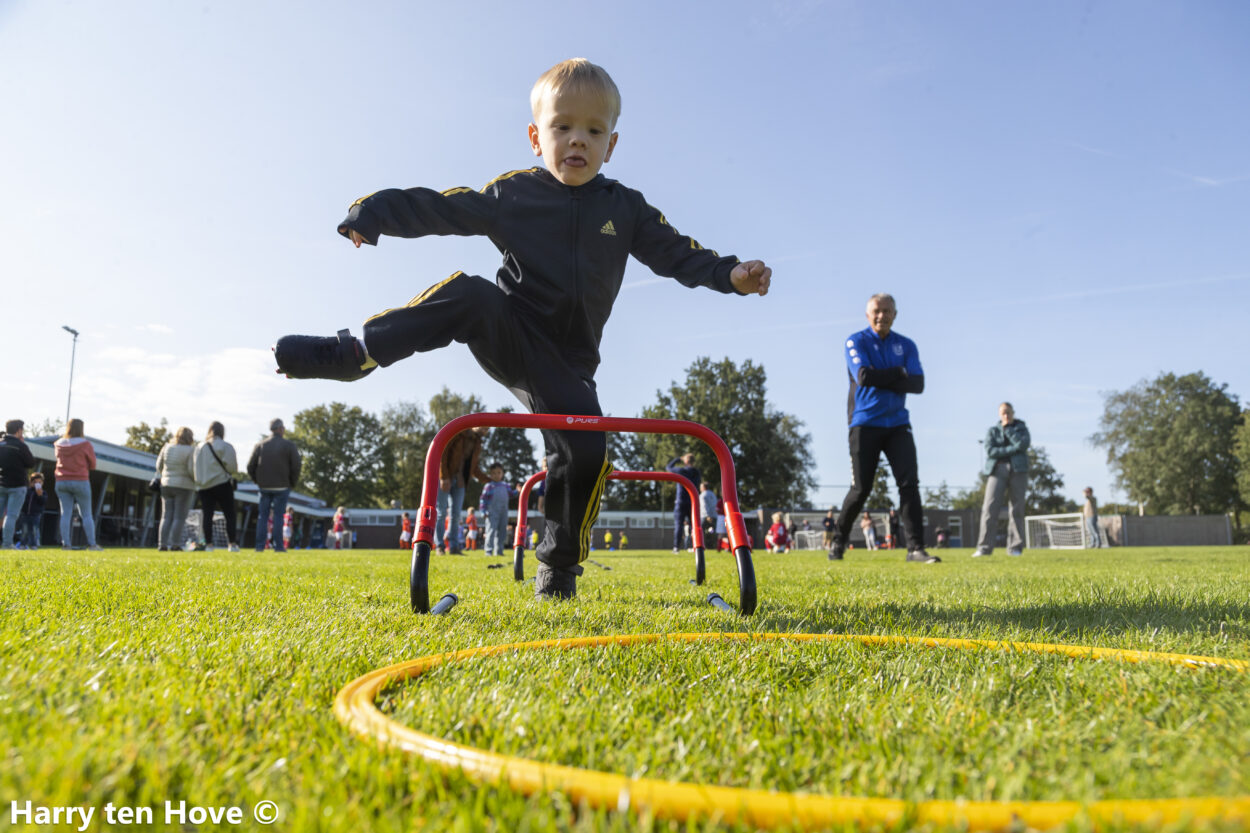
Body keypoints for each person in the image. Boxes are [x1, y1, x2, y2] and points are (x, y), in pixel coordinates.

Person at [272, 58, 771, 599]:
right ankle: (357, 352)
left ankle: (558, 568)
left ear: (611, 146)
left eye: (593, 131)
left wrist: (730, 275)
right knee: (469, 293)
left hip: (570, 366)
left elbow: (678, 253)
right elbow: (443, 208)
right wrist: (372, 212)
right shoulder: (515, 195)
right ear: (536, 138)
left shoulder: (625, 208)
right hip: (512, 333)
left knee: (586, 453)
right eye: (563, 127)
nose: (577, 140)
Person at [828, 294, 937, 564]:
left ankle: (915, 549)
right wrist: (899, 373)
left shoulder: (906, 345)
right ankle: (838, 541)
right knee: (861, 488)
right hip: (864, 423)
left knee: (909, 484)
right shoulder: (856, 341)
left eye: (887, 311)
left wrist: (885, 376)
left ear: (895, 314)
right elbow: (864, 376)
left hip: (898, 424)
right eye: (877, 311)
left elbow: (918, 384)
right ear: (868, 315)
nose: (882, 316)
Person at [972, 402, 1031, 558]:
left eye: (1008, 412)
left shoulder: (1021, 428)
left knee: (1017, 509)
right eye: (1003, 412)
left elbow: (1023, 444)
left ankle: (1015, 547)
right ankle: (984, 548)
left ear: (1013, 413)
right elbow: (990, 450)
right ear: (999, 414)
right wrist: (1013, 449)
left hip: (1018, 470)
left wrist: (1009, 430)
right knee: (989, 508)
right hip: (997, 470)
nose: (1006, 415)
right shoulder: (992, 431)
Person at [247, 418, 301, 554]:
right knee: (278, 516)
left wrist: (258, 481)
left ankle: (260, 546)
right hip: (282, 486)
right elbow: (296, 466)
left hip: (264, 486)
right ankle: (278, 546)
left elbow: (250, 466)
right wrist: (291, 483)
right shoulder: (289, 445)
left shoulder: (260, 445)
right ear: (280, 429)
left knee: (263, 516)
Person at [434, 427, 489, 555]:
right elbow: (443, 453)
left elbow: (474, 467)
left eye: (487, 429)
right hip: (446, 477)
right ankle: (439, 546)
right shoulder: (458, 433)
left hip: (460, 481)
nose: (485, 430)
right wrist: (443, 477)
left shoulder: (477, 443)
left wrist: (490, 480)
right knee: (441, 513)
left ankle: (453, 547)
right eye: (483, 426)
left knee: (456, 515)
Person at [53, 418, 101, 550]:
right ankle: (92, 544)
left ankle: (66, 543)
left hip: (61, 481)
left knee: (65, 513)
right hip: (80, 480)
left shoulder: (58, 444)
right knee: (86, 514)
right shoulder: (85, 444)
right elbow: (93, 464)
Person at [193, 421, 241, 552]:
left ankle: (208, 544)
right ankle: (232, 544)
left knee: (207, 515)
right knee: (229, 514)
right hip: (221, 483)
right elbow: (232, 467)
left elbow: (194, 468)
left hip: (204, 486)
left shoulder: (199, 447)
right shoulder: (225, 446)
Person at [155, 426, 197, 552]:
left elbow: (159, 465)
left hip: (166, 485)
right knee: (179, 517)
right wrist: (196, 480)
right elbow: (191, 469)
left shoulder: (167, 447)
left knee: (166, 516)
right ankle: (175, 544)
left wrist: (165, 475)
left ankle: (162, 544)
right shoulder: (191, 450)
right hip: (184, 486)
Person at [1, 419, 36, 549]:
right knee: (11, 516)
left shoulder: (1, 443)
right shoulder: (20, 445)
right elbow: (31, 463)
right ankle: (7, 543)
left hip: (1, 483)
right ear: (19, 430)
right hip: (17, 485)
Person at [479, 463, 517, 557]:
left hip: (504, 512)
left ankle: (499, 551)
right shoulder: (489, 486)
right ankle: (488, 551)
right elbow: (483, 499)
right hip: (491, 513)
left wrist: (518, 491)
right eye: (494, 473)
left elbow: (511, 494)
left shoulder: (506, 485)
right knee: (491, 531)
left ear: (502, 473)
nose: (496, 475)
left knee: (502, 532)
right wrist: (483, 511)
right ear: (490, 475)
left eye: (499, 472)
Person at [666, 454, 700, 553]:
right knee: (694, 524)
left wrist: (678, 459)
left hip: (681, 500)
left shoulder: (681, 471)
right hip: (692, 500)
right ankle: (696, 546)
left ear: (685, 461)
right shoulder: (696, 472)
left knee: (678, 525)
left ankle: (676, 547)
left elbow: (668, 467)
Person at [19, 473, 47, 549]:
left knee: (34, 530)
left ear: (42, 483)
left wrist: (40, 495)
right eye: (35, 482)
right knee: (24, 530)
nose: (37, 484)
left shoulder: (43, 492)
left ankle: (33, 545)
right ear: (31, 483)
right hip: (25, 514)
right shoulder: (27, 491)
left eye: (39, 482)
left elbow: (43, 502)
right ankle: (23, 544)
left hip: (36, 515)